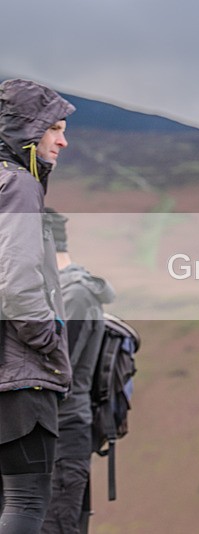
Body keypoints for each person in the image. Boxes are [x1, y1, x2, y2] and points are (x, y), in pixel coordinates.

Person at [0, 79, 75, 533]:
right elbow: (17, 280)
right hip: (19, 375)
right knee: (27, 502)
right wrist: (46, 341)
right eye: (54, 129)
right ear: (28, 131)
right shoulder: (18, 185)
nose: (63, 141)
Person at [41, 209, 115, 534]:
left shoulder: (75, 295)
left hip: (64, 435)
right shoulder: (61, 292)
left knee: (54, 527)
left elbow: (57, 367)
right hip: (47, 433)